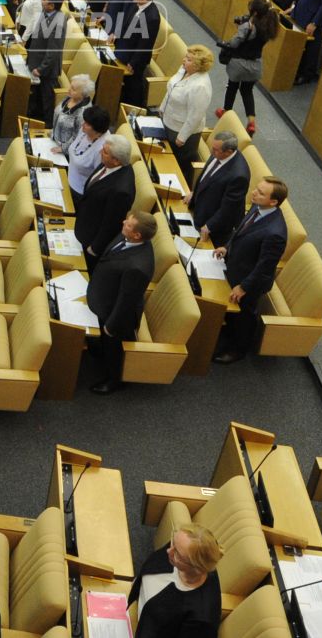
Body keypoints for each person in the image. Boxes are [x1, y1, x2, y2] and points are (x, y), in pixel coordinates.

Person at [212, 176, 289, 363]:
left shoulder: (275, 232)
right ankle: (228, 331)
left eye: (260, 193)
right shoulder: (258, 207)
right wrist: (227, 247)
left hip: (250, 281)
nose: (254, 193)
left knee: (245, 316)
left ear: (273, 201)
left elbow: (265, 267)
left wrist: (244, 287)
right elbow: (240, 231)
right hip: (237, 266)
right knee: (234, 314)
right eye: (256, 189)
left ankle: (237, 350)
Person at [88, 208, 156, 394]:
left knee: (113, 348)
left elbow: (126, 301)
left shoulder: (138, 267)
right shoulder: (129, 238)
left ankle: (114, 379)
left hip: (116, 314)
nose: (122, 224)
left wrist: (112, 325)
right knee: (105, 343)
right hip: (106, 295)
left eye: (127, 224)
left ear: (137, 234)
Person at [126, 520, 222, 638]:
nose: (168, 551)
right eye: (173, 542)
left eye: (177, 554)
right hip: (133, 608)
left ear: (196, 568)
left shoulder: (201, 620)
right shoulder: (180, 546)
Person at [217, 0, 275, 136]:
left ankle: (226, 114)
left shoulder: (248, 27)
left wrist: (233, 34)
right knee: (247, 91)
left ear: (254, 13)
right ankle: (251, 122)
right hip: (255, 66)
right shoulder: (267, 27)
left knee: (232, 87)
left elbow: (234, 44)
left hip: (239, 64)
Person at [156, 45, 216, 177]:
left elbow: (195, 115)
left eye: (188, 60)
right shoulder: (184, 70)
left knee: (177, 165)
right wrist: (162, 108)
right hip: (168, 120)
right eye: (185, 57)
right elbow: (171, 89)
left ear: (197, 66)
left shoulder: (201, 86)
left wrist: (182, 137)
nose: (184, 60)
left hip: (181, 132)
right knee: (163, 156)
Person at [75, 134, 137, 261]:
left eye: (104, 151)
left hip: (90, 240)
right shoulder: (109, 164)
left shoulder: (121, 191)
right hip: (83, 223)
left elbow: (111, 224)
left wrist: (95, 248)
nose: (100, 152)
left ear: (117, 160)